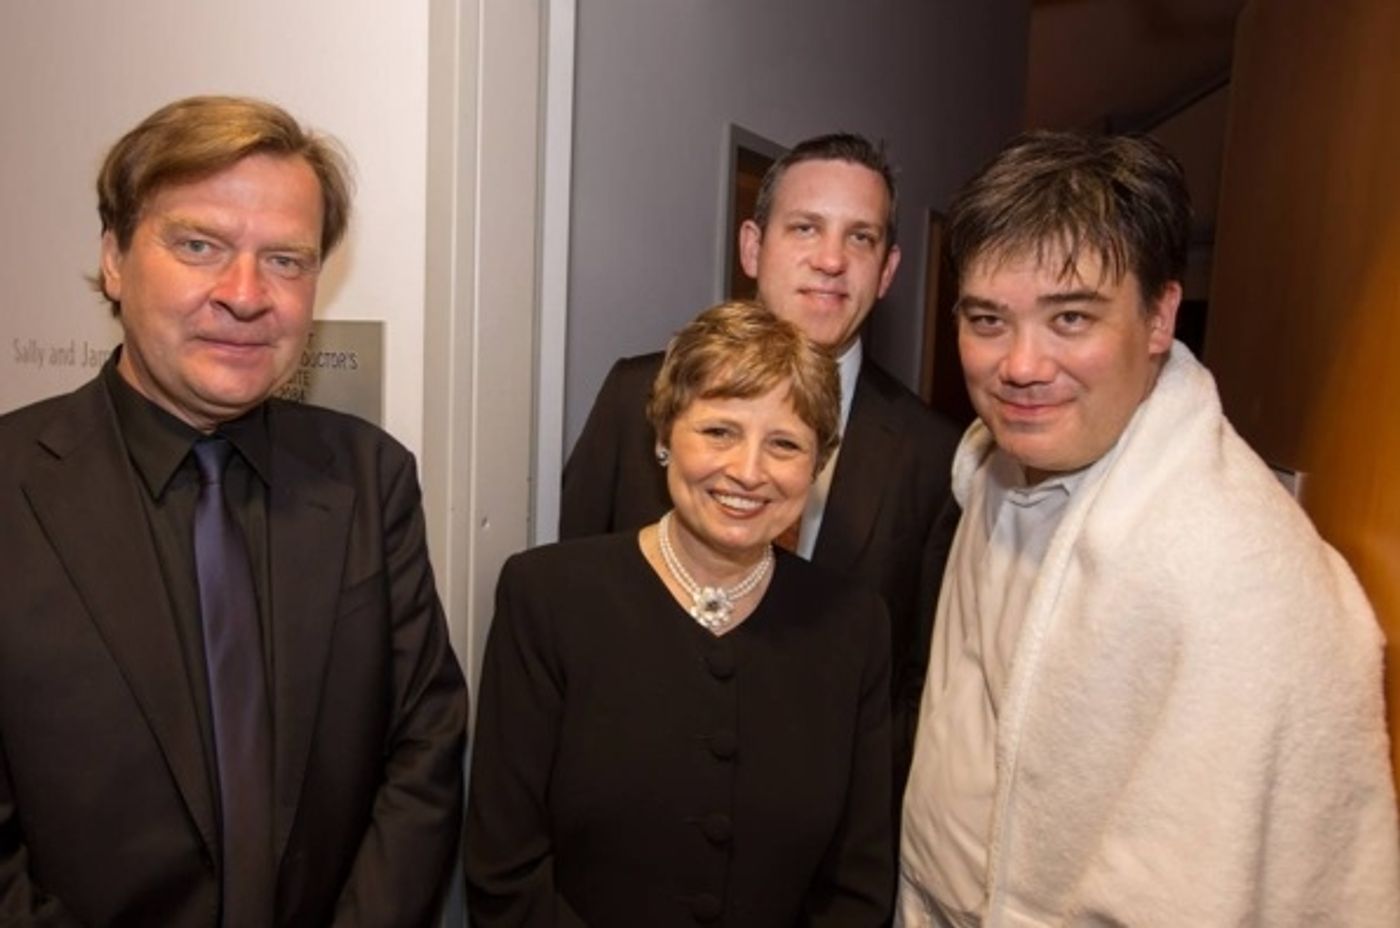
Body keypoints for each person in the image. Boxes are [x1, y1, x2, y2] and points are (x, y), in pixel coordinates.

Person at [897, 131, 1400, 926]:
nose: (1021, 365)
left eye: (1070, 318)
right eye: (988, 320)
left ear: (1160, 315)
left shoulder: (1239, 575)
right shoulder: (993, 468)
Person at [0, 96, 467, 926]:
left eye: (286, 260)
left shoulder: (370, 477)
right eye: (199, 245)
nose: (246, 295)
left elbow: (424, 745)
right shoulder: (11, 488)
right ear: (113, 259)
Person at [468, 301, 893, 925]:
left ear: (817, 466)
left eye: (785, 444)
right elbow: (504, 870)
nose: (748, 472)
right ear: (665, 435)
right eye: (720, 431)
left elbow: (859, 887)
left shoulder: (854, 629)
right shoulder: (549, 599)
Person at [561, 132, 961, 789]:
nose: (831, 260)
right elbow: (572, 607)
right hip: (626, 787)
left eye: (860, 238)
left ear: (887, 270)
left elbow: (917, 688)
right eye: (805, 227)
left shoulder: (932, 456)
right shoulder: (637, 395)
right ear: (752, 246)